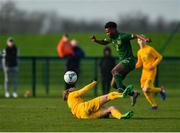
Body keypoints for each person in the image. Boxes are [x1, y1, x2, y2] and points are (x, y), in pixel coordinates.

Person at [91, 21, 150, 106]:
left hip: (129, 60)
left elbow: (136, 35)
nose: (107, 33)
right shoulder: (112, 38)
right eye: (106, 32)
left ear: (114, 29)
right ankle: (133, 94)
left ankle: (120, 90)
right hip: (124, 62)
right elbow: (104, 42)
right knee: (113, 84)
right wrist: (96, 40)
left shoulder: (122, 36)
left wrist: (145, 39)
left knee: (114, 71)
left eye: (108, 31)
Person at [63, 81, 134, 119]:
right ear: (69, 92)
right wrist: (93, 83)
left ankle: (121, 116)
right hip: (84, 107)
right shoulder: (71, 95)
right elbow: (83, 90)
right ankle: (122, 95)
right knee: (107, 96)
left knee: (110, 109)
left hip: (85, 116)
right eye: (70, 88)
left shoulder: (70, 104)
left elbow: (76, 114)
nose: (72, 88)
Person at [135, 36, 166, 110]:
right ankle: (154, 105)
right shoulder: (139, 52)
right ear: (137, 42)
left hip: (151, 72)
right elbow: (139, 63)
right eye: (139, 39)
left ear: (145, 41)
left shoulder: (150, 49)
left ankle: (160, 90)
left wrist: (153, 65)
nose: (141, 41)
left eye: (142, 39)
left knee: (146, 89)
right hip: (144, 72)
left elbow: (160, 57)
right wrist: (132, 66)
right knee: (145, 90)